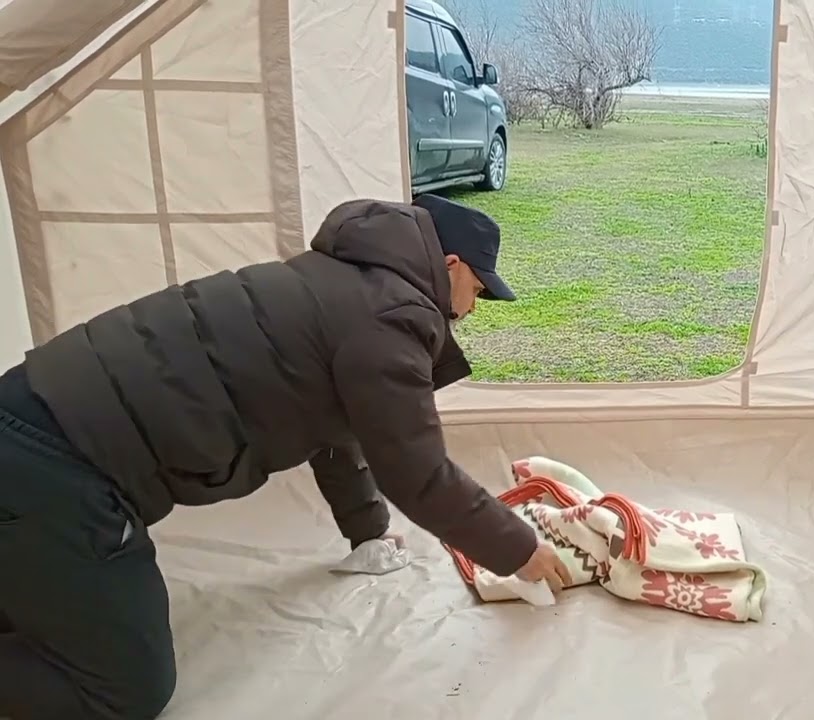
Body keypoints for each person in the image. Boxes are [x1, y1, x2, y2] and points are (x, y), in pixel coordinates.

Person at [0, 194, 572, 720]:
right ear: (449, 266)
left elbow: (336, 426)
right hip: (59, 465)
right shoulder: (393, 315)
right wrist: (519, 549)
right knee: (125, 688)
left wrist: (367, 532)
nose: (474, 309)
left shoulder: (339, 282)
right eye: (480, 290)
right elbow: (415, 469)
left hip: (29, 418)